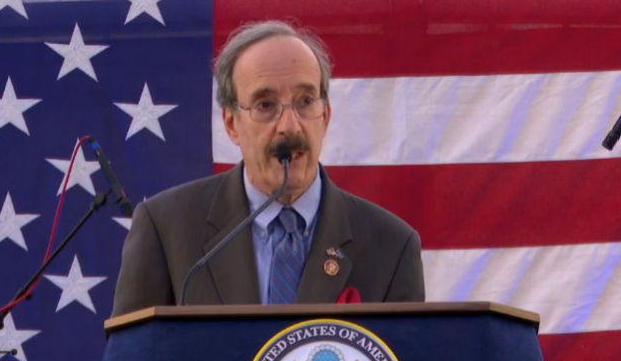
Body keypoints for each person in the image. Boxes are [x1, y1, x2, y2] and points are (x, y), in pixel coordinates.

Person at [111, 20, 424, 316]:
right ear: (232, 123)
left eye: (305, 101)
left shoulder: (392, 246)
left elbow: (403, 357)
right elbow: (132, 354)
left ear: (325, 117)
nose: (290, 126)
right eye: (265, 105)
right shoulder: (166, 228)